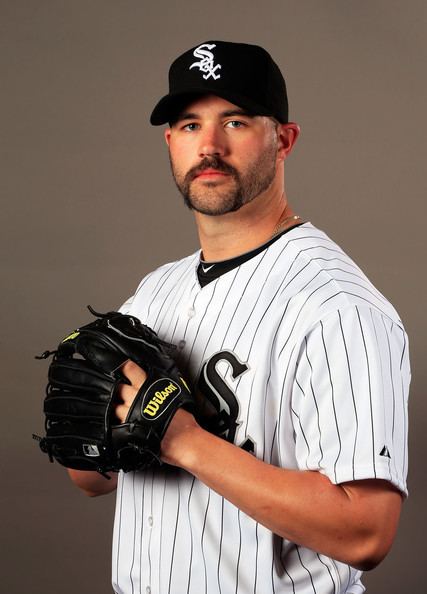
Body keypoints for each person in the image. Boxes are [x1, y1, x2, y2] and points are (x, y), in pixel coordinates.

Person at [68, 41, 410, 594]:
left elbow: (365, 532)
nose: (209, 145)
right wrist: (88, 431)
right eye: (189, 124)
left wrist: (183, 440)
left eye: (236, 121)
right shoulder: (153, 293)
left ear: (284, 140)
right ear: (169, 142)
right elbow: (92, 481)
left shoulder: (336, 305)